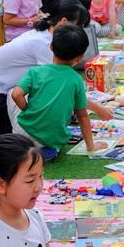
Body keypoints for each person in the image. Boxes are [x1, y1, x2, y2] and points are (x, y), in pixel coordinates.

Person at [0, 1, 90, 133]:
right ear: (63, 22)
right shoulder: (44, 44)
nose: (80, 32)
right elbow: (58, 86)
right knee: (29, 124)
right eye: (79, 26)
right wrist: (94, 108)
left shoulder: (48, 36)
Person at [7, 25, 105, 159]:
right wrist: (91, 147)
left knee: (11, 92)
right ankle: (46, 151)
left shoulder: (35, 71)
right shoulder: (76, 80)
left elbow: (16, 94)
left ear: (51, 46)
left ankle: (22, 146)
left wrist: (26, 109)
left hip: (24, 132)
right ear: (79, 58)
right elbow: (82, 116)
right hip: (51, 140)